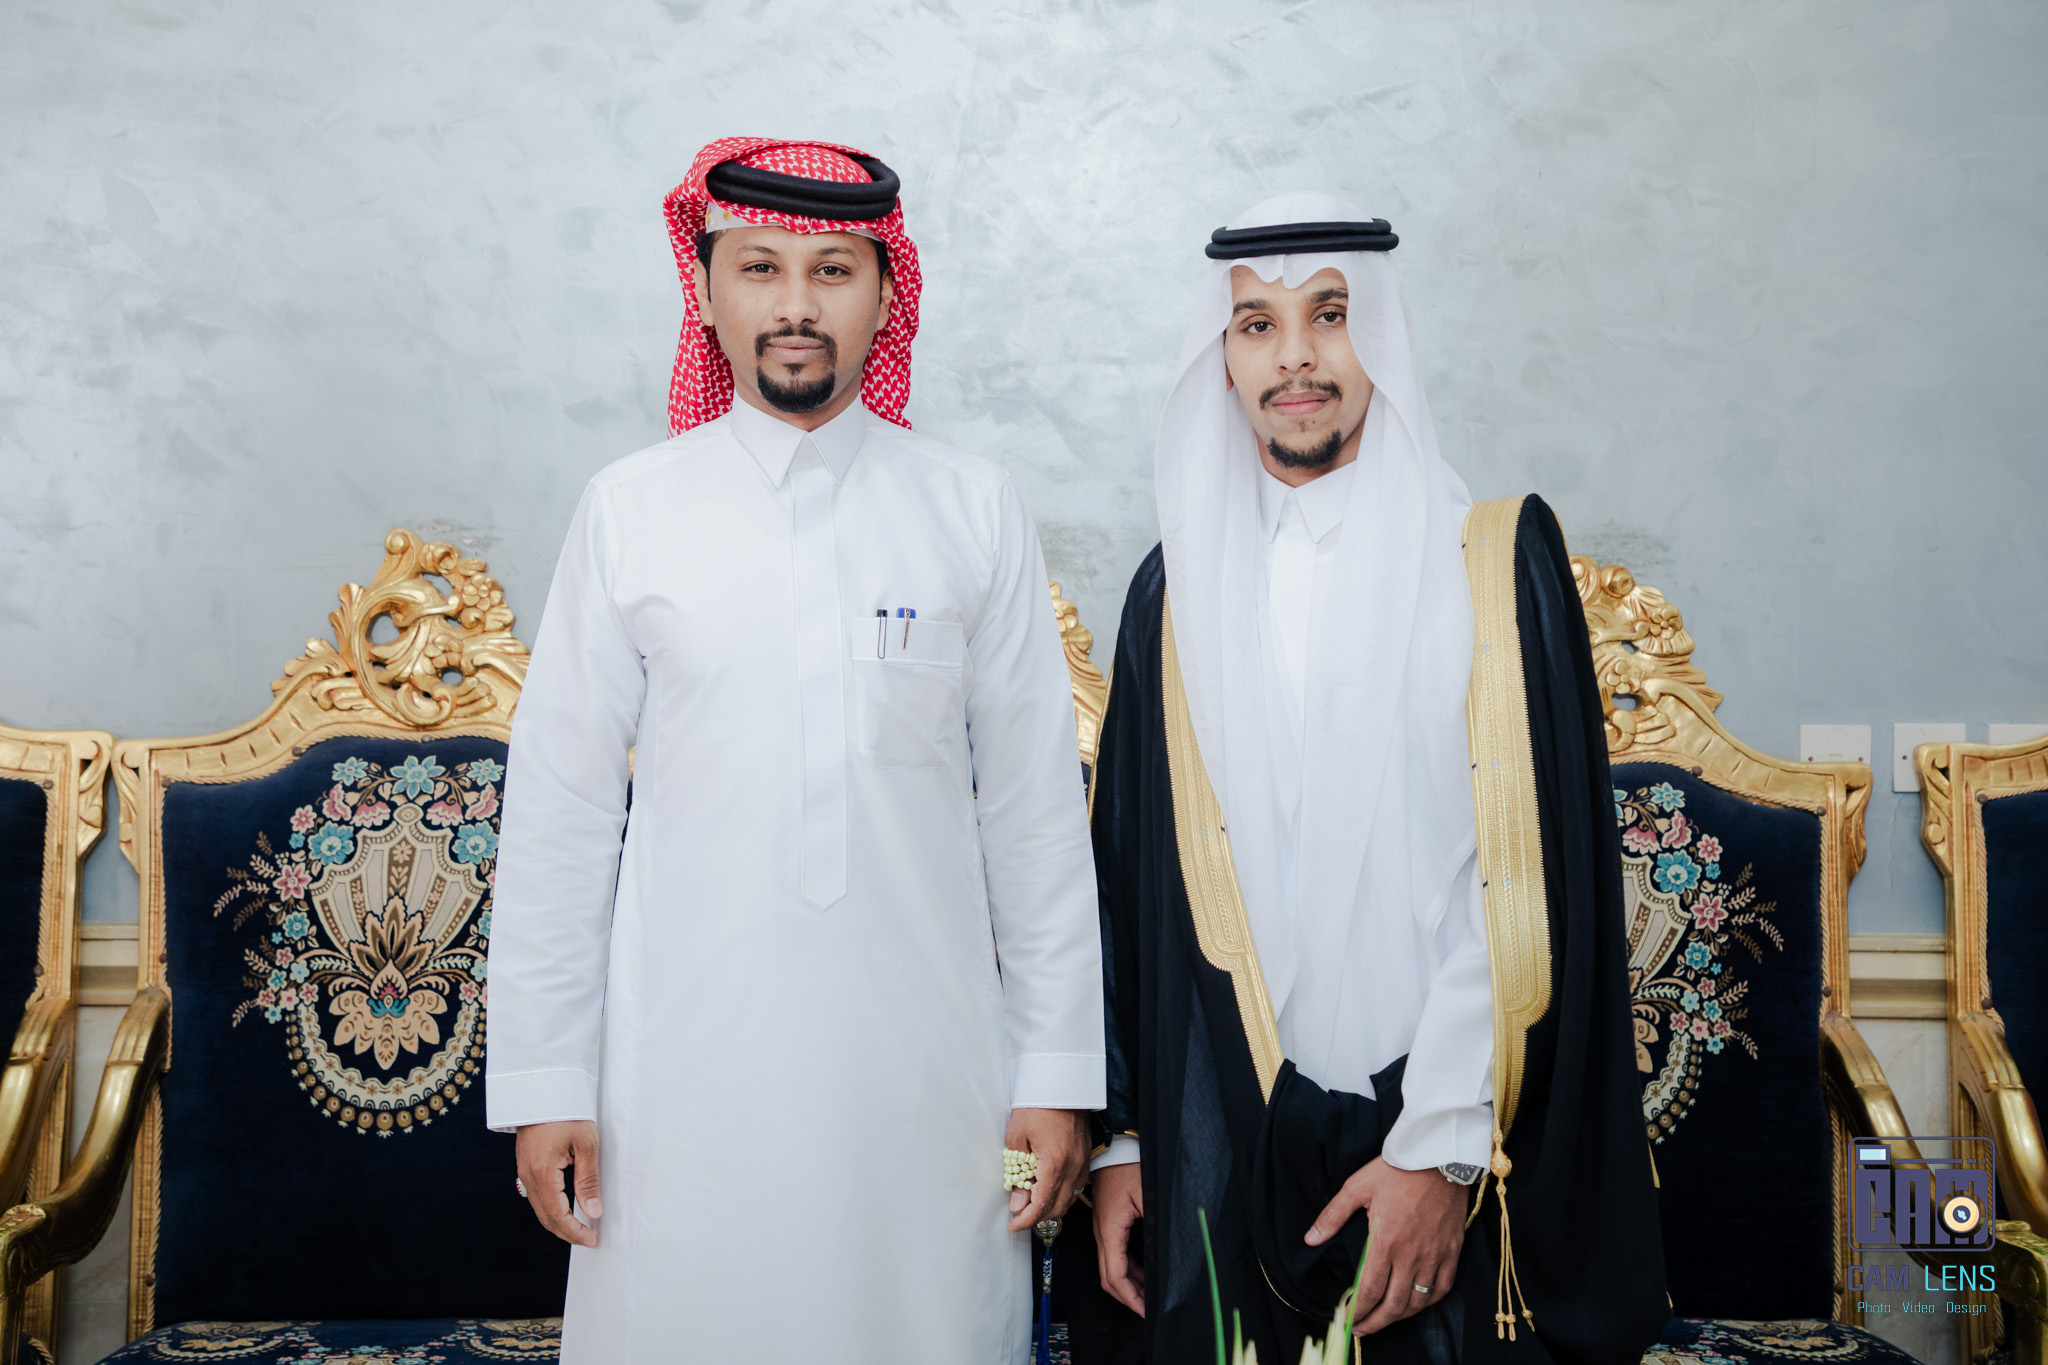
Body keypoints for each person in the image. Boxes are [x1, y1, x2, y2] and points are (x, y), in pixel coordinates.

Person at [484, 137, 1105, 1364]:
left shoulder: (971, 506)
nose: (794, 305)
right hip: (679, 1081)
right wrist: (548, 1083)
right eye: (759, 267)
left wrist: (1054, 1075)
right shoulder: (630, 510)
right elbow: (560, 815)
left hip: (931, 1076)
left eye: (831, 271)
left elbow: (1032, 813)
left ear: (884, 291)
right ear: (705, 288)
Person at [1082, 195, 1668, 1364]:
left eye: (1330, 315)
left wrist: (1437, 1149)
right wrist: (1128, 1143)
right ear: (1222, 357)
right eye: (1256, 325)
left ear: (1382, 335)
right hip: (1225, 1141)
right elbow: (1131, 890)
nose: (1294, 357)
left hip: (1444, 1138)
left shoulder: (1489, 568)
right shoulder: (1172, 592)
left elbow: (1521, 885)